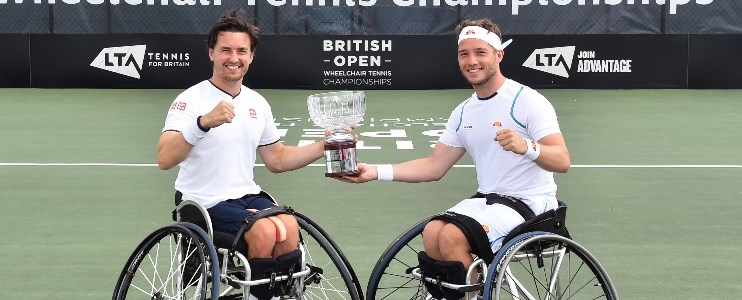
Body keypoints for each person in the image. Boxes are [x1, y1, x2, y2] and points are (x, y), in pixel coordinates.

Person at [338, 18, 571, 300]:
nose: (472, 61)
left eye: (480, 52)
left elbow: (562, 161)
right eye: (464, 54)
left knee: (450, 236)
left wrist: (528, 147)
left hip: (533, 204)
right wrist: (375, 171)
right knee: (433, 231)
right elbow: (434, 165)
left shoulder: (527, 100)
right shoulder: (463, 112)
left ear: (499, 55)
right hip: (488, 200)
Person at [156, 9, 327, 300]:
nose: (233, 58)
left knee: (287, 226)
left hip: (246, 195)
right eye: (225, 50)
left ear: (251, 56)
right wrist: (202, 124)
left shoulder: (257, 102)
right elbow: (164, 158)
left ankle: (275, 294)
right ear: (211, 53)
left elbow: (277, 159)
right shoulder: (190, 100)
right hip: (203, 200)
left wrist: (325, 146)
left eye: (241, 51)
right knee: (263, 231)